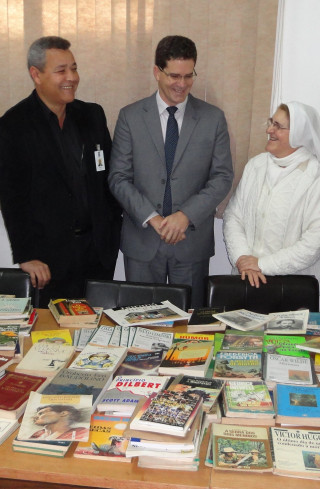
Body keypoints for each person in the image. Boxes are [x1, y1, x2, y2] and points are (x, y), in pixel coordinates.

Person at [0, 36, 122, 306]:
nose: (72, 77)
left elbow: (108, 177)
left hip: (97, 253)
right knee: (52, 338)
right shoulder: (14, 125)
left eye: (74, 68)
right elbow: (12, 195)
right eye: (61, 70)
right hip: (48, 260)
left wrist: (111, 233)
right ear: (36, 75)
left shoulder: (92, 115)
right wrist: (26, 255)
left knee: (96, 333)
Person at [109, 35, 233, 307]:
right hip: (142, 241)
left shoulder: (213, 119)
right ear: (157, 72)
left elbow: (222, 177)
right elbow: (118, 178)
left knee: (190, 331)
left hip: (191, 242)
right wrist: (152, 218)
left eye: (189, 76)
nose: (182, 84)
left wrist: (185, 216)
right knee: (140, 324)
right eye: (174, 75)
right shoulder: (130, 117)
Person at [222, 101, 320, 293]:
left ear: (299, 134)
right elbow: (234, 217)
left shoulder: (318, 177)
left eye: (278, 126)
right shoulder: (255, 166)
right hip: (245, 280)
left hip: (294, 287)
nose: (269, 130)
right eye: (271, 122)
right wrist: (242, 259)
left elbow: (315, 241)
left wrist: (262, 264)